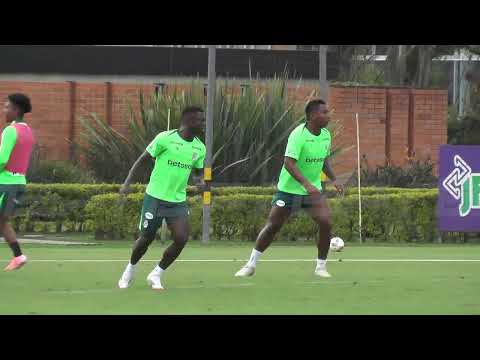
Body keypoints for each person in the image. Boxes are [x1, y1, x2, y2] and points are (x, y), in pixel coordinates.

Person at [234, 99, 343, 278]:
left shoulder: (325, 135)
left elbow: (324, 161)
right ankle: (250, 265)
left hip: (312, 191)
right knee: (273, 226)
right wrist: (306, 184)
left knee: (326, 223)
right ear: (313, 115)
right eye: (324, 112)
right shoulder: (298, 135)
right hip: (289, 190)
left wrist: (334, 179)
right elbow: (288, 163)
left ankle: (321, 267)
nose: (328, 115)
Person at [118, 106, 206, 290]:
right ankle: (130, 269)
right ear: (189, 122)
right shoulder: (164, 138)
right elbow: (142, 159)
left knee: (181, 238)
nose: (203, 124)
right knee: (146, 237)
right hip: (155, 197)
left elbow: (198, 172)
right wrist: (127, 183)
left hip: (177, 201)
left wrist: (200, 182)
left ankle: (156, 273)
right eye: (200, 120)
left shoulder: (200, 147)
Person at [2, 94, 35, 271]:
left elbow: (2, 160)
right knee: (2, 222)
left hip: (5, 183)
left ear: (16, 110)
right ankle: (18, 256)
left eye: (7, 107)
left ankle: (18, 255)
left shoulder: (10, 130)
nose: (4, 110)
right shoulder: (28, 131)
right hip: (19, 182)